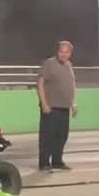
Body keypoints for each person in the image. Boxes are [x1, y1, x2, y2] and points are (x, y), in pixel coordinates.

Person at [36, 40, 77, 172]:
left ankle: (57, 161)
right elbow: (40, 84)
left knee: (62, 136)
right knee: (48, 136)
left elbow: (71, 86)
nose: (63, 54)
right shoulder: (49, 63)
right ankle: (44, 163)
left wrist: (73, 103)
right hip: (51, 107)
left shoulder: (69, 65)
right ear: (57, 51)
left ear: (70, 53)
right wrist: (44, 103)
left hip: (64, 107)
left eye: (66, 52)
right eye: (61, 51)